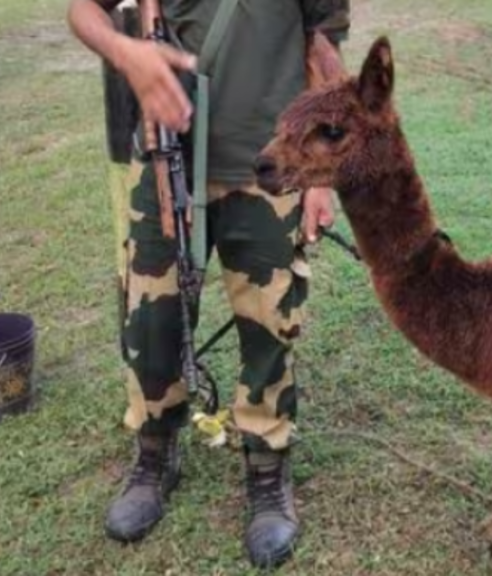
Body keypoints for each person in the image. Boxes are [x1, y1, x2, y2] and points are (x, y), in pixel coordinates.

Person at [66, 0, 350, 568]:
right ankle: (154, 452)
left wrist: (324, 172)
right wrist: (126, 50)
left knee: (271, 326)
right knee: (151, 321)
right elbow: (84, 10)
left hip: (270, 168)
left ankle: (267, 466)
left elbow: (323, 50)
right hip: (164, 161)